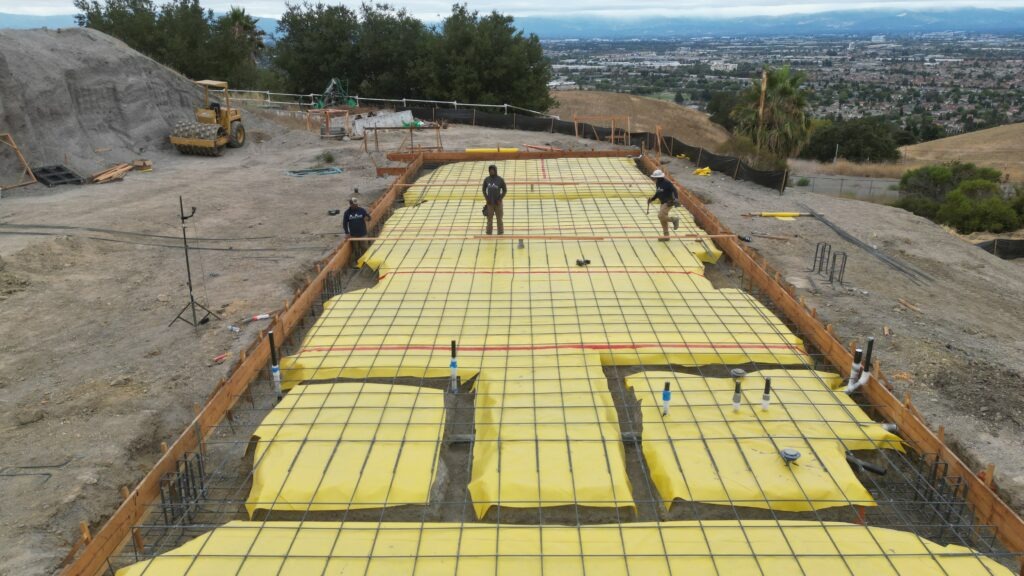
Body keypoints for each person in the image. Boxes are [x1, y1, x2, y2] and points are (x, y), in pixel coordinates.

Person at [647, 169, 680, 241]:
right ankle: (666, 236)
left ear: (659, 177)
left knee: (660, 216)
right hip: (662, 202)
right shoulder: (657, 183)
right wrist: (652, 199)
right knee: (662, 219)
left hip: (668, 202)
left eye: (655, 177)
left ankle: (675, 219)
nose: (654, 178)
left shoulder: (667, 183)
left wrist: (676, 199)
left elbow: (674, 190)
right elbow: (658, 193)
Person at [343, 197, 371, 264]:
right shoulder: (347, 213)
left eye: (356, 204)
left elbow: (369, 217)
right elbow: (344, 223)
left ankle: (366, 261)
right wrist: (347, 233)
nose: (356, 205)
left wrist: (368, 218)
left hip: (363, 233)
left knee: (364, 247)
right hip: (354, 235)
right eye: (354, 204)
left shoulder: (361, 210)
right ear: (350, 204)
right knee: (356, 249)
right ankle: (359, 262)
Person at [481, 164, 507, 235]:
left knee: (499, 219)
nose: (491, 171)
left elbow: (505, 190)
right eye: (490, 170)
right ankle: (489, 233)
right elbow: (483, 190)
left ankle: (500, 233)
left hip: (498, 203)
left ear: (495, 171)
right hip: (490, 204)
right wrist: (487, 199)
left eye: (492, 170)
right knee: (489, 220)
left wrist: (500, 199)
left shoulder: (500, 180)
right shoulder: (487, 180)